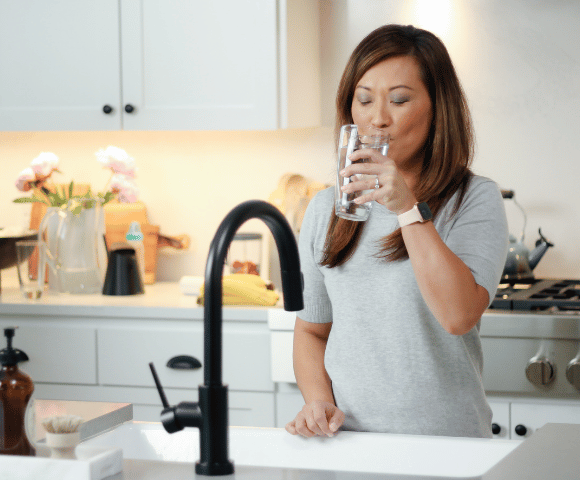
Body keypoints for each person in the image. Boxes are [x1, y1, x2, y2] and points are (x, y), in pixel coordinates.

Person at [285, 24, 508, 439]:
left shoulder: (473, 198)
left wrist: (407, 208)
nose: (378, 119)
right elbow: (312, 330)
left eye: (400, 100)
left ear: (438, 107)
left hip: (446, 445)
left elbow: (458, 316)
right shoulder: (326, 209)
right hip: (348, 445)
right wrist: (318, 400)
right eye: (364, 99)